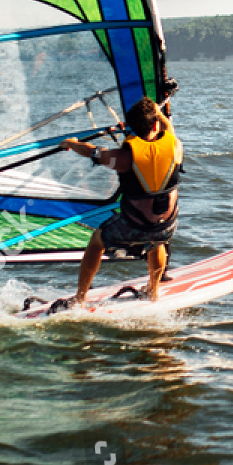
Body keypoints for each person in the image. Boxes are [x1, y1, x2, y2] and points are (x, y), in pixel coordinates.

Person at [55, 95, 182, 308]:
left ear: (132, 127)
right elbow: (167, 126)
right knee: (157, 242)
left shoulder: (124, 158)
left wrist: (72, 143)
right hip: (167, 226)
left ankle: (80, 298)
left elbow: (92, 152)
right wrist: (156, 108)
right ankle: (153, 290)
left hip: (134, 226)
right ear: (155, 124)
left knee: (97, 241)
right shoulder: (176, 146)